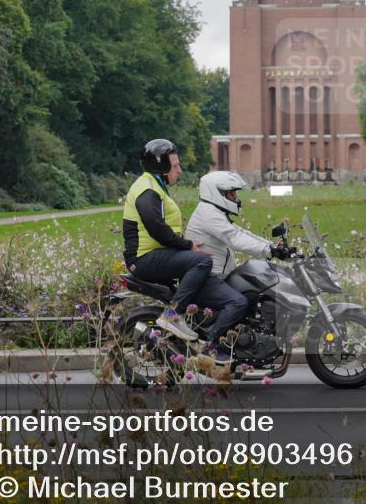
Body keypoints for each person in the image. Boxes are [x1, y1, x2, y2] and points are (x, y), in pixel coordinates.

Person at [185, 171, 292, 362]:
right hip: (206, 278)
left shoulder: (214, 212)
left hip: (215, 275)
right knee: (238, 302)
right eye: (231, 194)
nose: (236, 198)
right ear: (216, 193)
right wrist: (269, 252)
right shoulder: (209, 214)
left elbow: (241, 232)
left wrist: (272, 247)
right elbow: (234, 239)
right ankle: (211, 346)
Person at [123, 139, 210, 341]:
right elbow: (157, 229)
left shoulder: (153, 185)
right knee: (201, 261)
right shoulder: (148, 191)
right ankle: (172, 316)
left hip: (152, 254)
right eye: (176, 165)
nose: (179, 170)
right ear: (162, 166)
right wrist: (187, 245)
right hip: (144, 259)